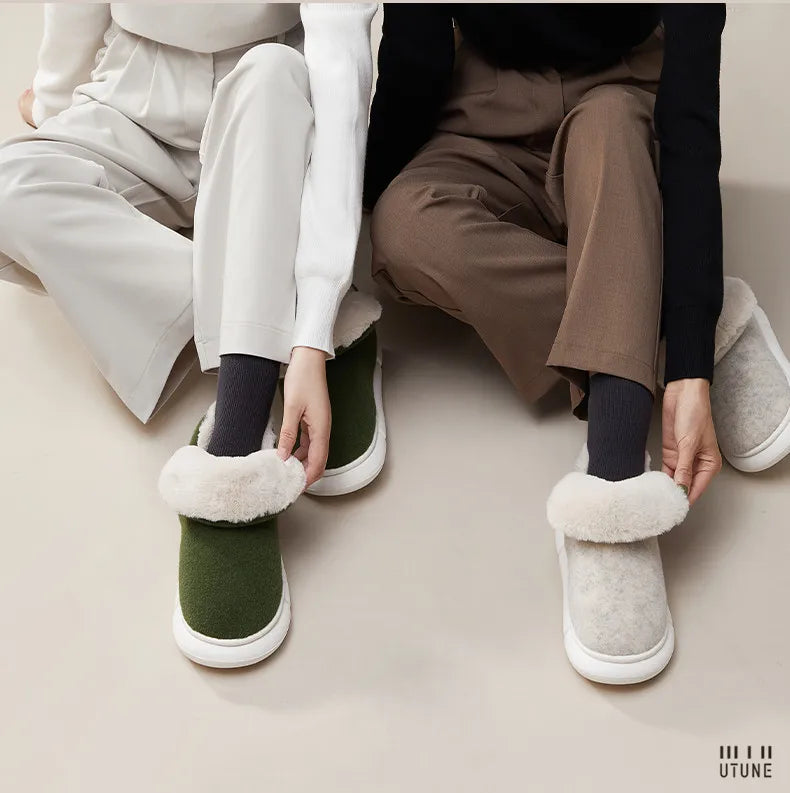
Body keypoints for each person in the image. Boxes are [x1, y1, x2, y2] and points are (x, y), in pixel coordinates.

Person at [365, 3, 790, 684]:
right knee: (405, 228)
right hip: (483, 105)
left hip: (620, 97)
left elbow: (688, 124)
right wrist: (685, 345)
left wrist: (691, 372)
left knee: (613, 128)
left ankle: (614, 477)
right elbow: (415, 59)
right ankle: (676, 309)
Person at [0, 3, 384, 668]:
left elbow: (339, 75)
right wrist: (56, 105)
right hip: (130, 97)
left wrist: (316, 311)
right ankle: (268, 308)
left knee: (273, 73)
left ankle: (233, 446)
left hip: (270, 108)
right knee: (11, 187)